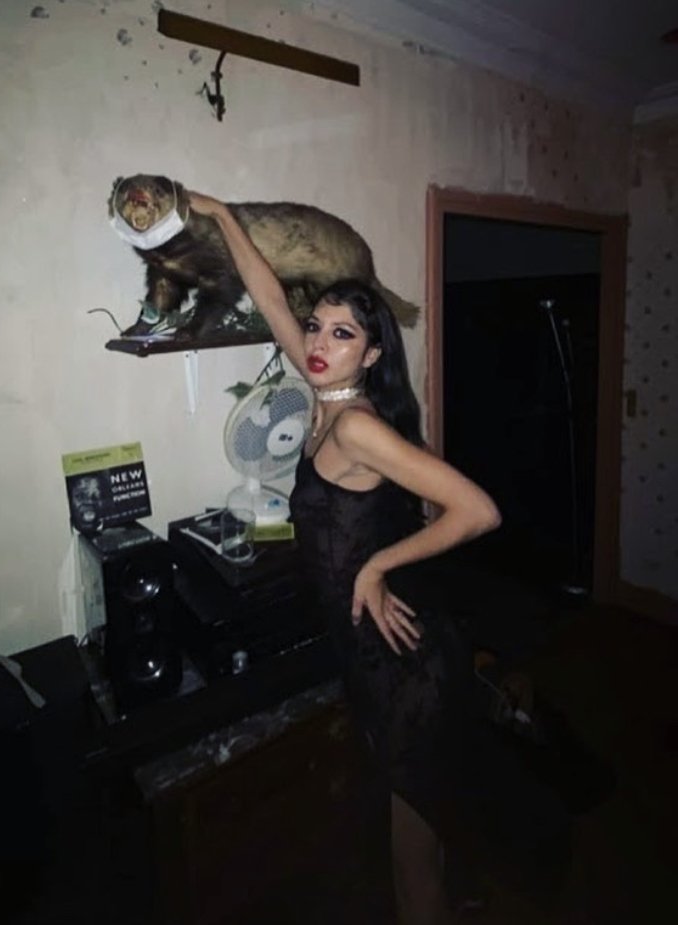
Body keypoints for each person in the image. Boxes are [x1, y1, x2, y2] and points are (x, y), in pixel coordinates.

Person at [188, 192, 570, 924]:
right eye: (316, 326)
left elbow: (478, 510)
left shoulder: (357, 428)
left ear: (370, 354)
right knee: (426, 818)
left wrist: (375, 566)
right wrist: (223, 216)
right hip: (370, 652)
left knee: (409, 854)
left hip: (407, 666)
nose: (319, 340)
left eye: (343, 332)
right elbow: (269, 294)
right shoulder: (321, 393)